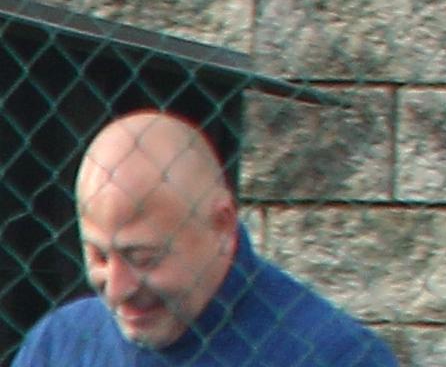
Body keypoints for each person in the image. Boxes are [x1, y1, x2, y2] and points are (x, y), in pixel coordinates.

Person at [20, 112, 392, 367]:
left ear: (222, 224)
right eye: (99, 257)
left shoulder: (333, 356)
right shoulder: (60, 344)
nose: (118, 289)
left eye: (144, 258)